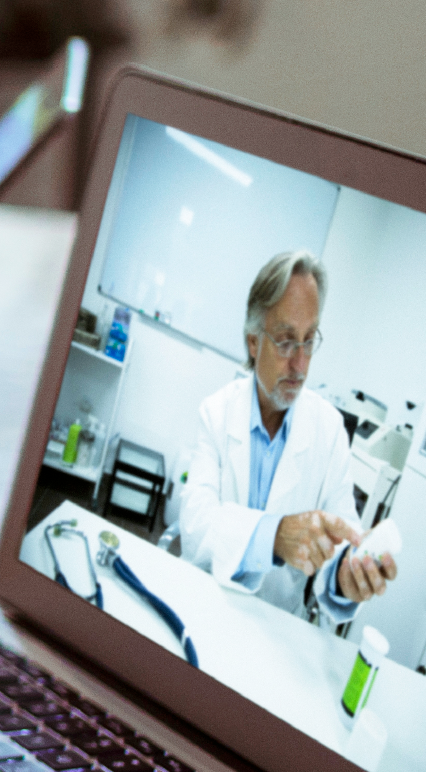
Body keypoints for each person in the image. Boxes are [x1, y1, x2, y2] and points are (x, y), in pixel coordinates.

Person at [170, 251, 398, 624]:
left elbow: (342, 536)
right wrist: (274, 536)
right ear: (253, 343)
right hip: (203, 606)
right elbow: (196, 527)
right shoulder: (215, 413)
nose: (301, 364)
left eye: (309, 341)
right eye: (286, 341)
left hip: (274, 627)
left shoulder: (328, 430)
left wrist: (346, 575)